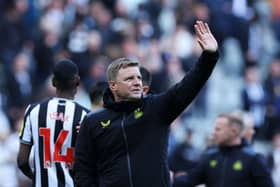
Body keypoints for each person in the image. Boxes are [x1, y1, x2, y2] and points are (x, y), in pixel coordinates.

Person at [74, 21, 219, 187]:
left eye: (138, 78)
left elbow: (189, 86)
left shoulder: (156, 108)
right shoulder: (93, 122)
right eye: (129, 79)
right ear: (113, 85)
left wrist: (209, 56)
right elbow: (83, 169)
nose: (136, 82)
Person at [17, 60, 90, 187]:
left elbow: (22, 161)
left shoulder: (33, 110)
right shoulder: (86, 116)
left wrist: (37, 178)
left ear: (53, 82)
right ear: (77, 81)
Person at [173, 113, 273, 187]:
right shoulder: (210, 156)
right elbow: (189, 180)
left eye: (218, 129)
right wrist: (169, 177)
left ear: (233, 132)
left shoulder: (253, 159)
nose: (213, 133)